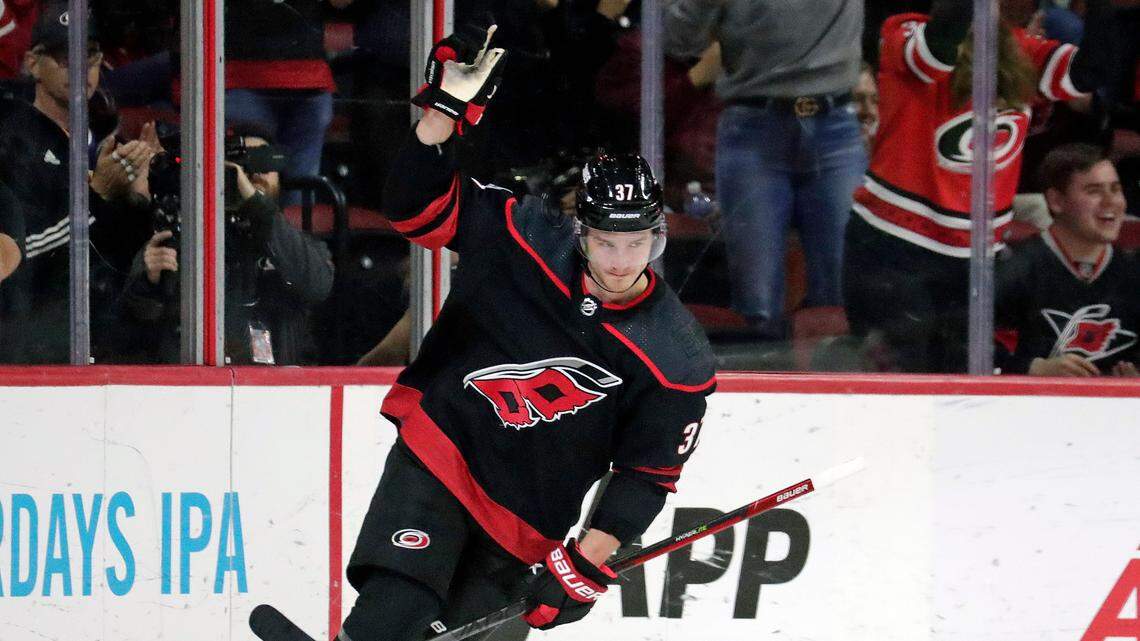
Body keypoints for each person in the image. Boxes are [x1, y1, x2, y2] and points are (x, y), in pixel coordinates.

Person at [338, 26, 715, 641]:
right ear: (581, 229)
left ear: (657, 237)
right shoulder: (524, 235)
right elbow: (413, 209)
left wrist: (586, 562)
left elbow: (646, 475)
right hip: (442, 454)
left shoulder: (676, 355)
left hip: (526, 518)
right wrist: (441, 116)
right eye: (605, 241)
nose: (621, 260)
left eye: (636, 242)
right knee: (391, 617)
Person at [842, 0, 1119, 373]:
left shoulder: (1022, 50)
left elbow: (1089, 72)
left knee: (966, 384)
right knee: (903, 389)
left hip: (974, 259)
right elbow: (937, 50)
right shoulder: (902, 32)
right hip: (894, 250)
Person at [664, 0, 867, 341]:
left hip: (832, 125)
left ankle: (845, 389)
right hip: (755, 127)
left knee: (843, 300)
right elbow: (676, 40)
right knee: (757, 308)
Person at [0, 2, 155, 363]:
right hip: (32, 344)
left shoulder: (104, 138)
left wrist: (136, 200)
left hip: (102, 337)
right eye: (64, 56)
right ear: (33, 63)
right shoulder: (10, 138)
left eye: (89, 55)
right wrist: (98, 195)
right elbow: (21, 253)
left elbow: (116, 250)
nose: (80, 67)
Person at [115, 123, 334, 365]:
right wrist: (149, 283)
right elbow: (134, 326)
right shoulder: (183, 239)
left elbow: (318, 284)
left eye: (264, 163)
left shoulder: (295, 244)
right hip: (196, 385)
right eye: (244, 163)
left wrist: (256, 205)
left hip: (276, 389)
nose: (255, 174)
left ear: (281, 178)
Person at [995, 143, 1138, 376]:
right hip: (1027, 410)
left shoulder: (1133, 272)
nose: (1111, 201)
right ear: (1056, 201)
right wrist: (1032, 369)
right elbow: (961, 344)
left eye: (1115, 189)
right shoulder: (1012, 268)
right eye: (1094, 191)